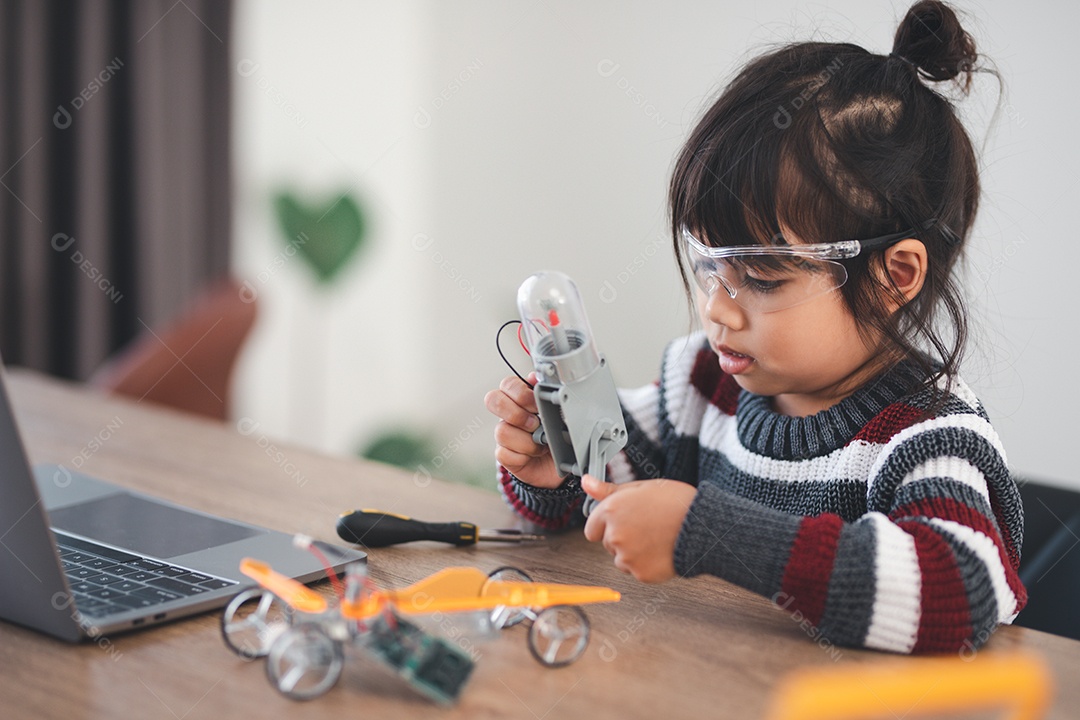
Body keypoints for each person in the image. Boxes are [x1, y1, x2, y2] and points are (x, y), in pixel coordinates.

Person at [484, 0, 1025, 655]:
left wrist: (704, 531)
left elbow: (957, 595)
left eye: (762, 279)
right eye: (709, 266)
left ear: (893, 277)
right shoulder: (702, 383)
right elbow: (608, 498)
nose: (718, 307)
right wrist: (558, 474)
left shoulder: (929, 436)